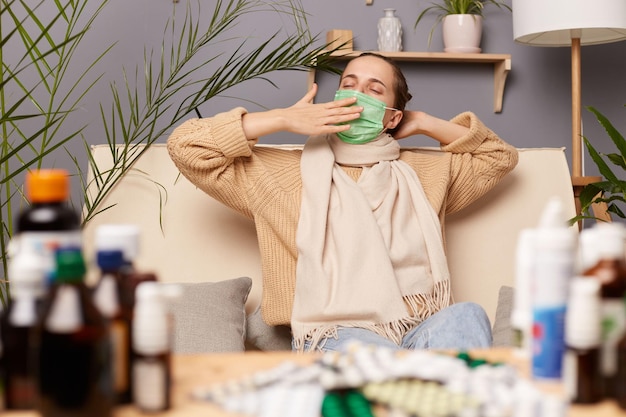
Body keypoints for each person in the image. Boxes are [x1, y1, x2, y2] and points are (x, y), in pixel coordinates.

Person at [167, 52, 519, 353]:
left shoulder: (424, 173)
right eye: (348, 84)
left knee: (467, 314)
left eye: (373, 89)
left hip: (416, 333)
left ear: (393, 116)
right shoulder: (279, 174)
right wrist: (282, 119)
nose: (356, 95)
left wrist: (423, 123)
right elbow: (186, 148)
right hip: (334, 335)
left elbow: (499, 156)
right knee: (376, 357)